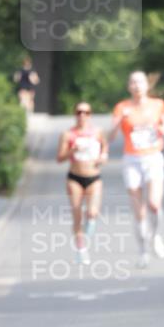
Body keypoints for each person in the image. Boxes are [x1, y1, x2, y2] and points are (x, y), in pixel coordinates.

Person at [109, 71, 164, 268]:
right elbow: (109, 137)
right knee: (139, 211)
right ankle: (143, 250)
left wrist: (162, 130)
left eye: (140, 82)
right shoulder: (122, 107)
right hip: (132, 160)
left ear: (146, 85)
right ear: (129, 87)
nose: (136, 85)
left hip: (153, 157)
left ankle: (156, 236)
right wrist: (119, 121)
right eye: (133, 82)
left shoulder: (157, 105)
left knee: (154, 204)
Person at [56, 103, 108, 265]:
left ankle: (86, 237)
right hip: (75, 178)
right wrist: (73, 150)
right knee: (77, 214)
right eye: (79, 112)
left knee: (92, 213)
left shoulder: (97, 132)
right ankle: (81, 249)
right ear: (75, 114)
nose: (82, 115)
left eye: (86, 112)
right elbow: (59, 158)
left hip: (94, 177)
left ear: (90, 114)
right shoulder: (68, 134)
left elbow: (104, 147)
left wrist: (103, 156)